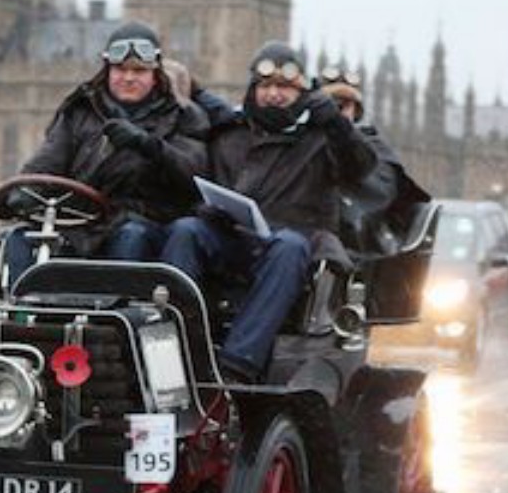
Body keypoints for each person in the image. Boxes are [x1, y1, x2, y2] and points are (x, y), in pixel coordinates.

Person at [160, 41, 377, 383]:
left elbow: (360, 167)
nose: (274, 94)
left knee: (289, 247)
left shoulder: (321, 139)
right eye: (265, 86)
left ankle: (236, 364)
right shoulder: (231, 134)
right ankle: (175, 346)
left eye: (285, 87)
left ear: (303, 92)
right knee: (185, 231)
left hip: (289, 247)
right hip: (231, 237)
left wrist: (336, 124)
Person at [2, 21, 209, 283]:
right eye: (121, 69)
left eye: (139, 70)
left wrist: (150, 146)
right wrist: (23, 192)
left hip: (146, 222)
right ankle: (24, 312)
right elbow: (48, 160)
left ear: (155, 73)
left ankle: (114, 316)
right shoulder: (80, 112)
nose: (129, 78)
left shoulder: (184, 116)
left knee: (131, 236)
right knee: (19, 239)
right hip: (81, 224)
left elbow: (196, 173)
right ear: (107, 69)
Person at [317, 63, 430, 256]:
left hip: (351, 247)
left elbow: (378, 194)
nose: (336, 112)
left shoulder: (373, 149)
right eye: (331, 104)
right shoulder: (299, 143)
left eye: (343, 106)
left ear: (356, 110)